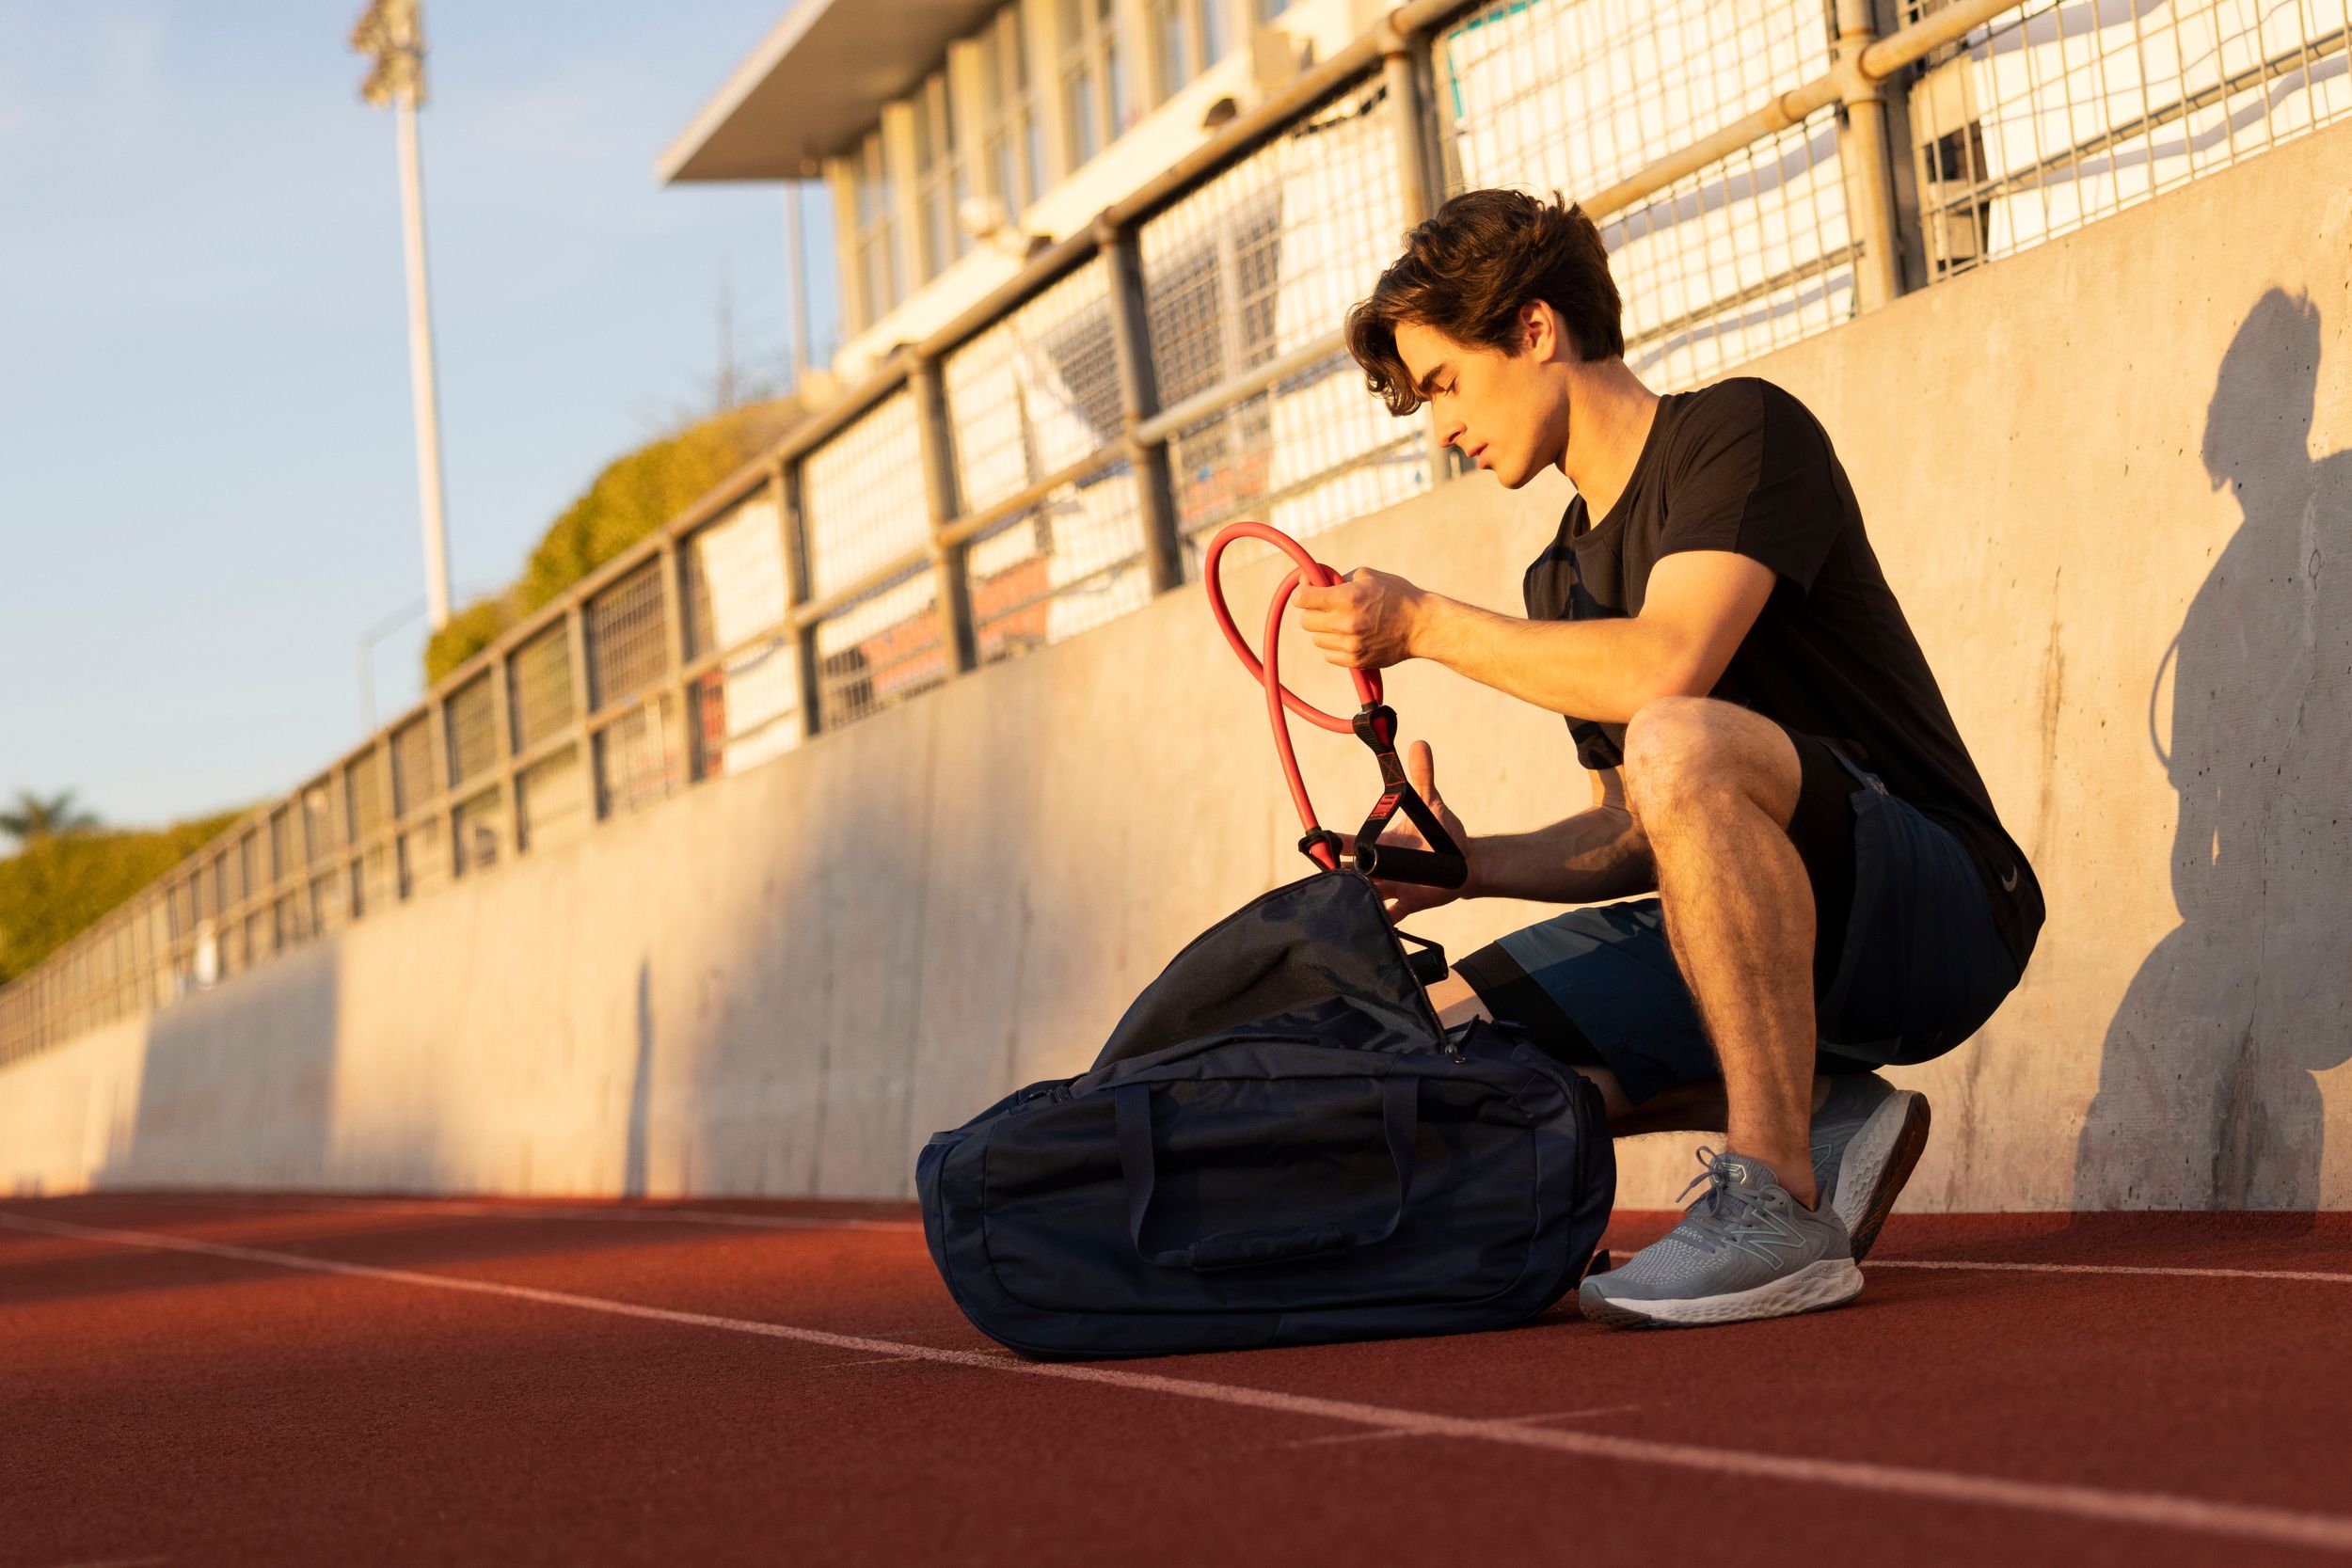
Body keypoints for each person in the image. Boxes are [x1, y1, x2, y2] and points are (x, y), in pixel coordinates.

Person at [1305, 188, 2043, 1328]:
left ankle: (1776, 1201)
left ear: (1536, 328)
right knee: (1443, 1047)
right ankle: (1829, 1114)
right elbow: (1639, 827)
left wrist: (1427, 627)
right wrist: (1470, 863)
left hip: (1937, 905)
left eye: (1444, 381)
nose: (1438, 425)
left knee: (1673, 729)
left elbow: (1667, 673)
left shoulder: (1741, 431)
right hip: (1767, 932)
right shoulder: (1558, 580)